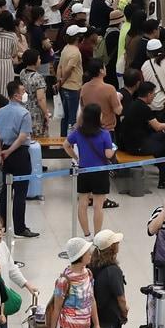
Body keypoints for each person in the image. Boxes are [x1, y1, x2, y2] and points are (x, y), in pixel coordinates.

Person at [0, 79, 41, 239]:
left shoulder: (0, 112)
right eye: (22, 92)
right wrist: (9, 152)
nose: (25, 94)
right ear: (15, 95)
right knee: (20, 192)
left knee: (5, 192)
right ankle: (19, 228)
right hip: (20, 154)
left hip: (5, 152)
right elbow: (22, 137)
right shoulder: (24, 113)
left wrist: (0, 153)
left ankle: (0, 226)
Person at [66, 102, 116, 239]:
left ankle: (86, 234)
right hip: (100, 172)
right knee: (98, 206)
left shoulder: (78, 132)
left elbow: (66, 145)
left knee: (82, 203)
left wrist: (76, 158)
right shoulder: (105, 134)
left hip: (83, 170)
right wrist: (114, 150)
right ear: (97, 116)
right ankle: (97, 235)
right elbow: (108, 155)